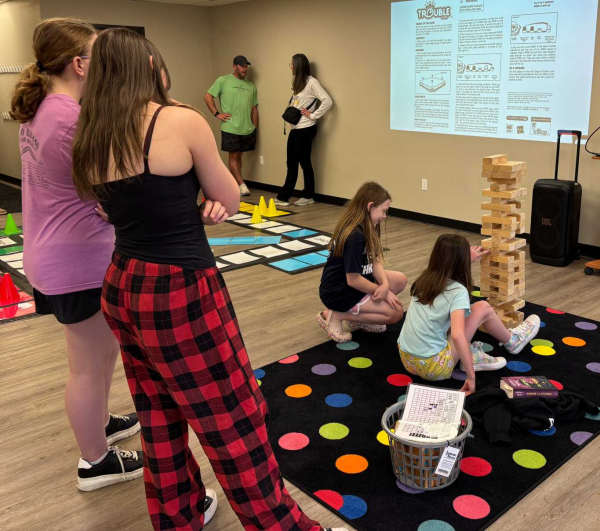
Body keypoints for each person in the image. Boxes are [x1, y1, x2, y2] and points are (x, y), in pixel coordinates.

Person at [72, 28, 347, 531]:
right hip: (178, 289)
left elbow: (123, 212)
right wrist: (202, 200)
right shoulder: (178, 120)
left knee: (158, 414)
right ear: (150, 66)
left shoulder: (91, 133)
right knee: (234, 418)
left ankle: (179, 516)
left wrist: (186, 210)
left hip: (122, 284)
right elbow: (232, 193)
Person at [10, 18, 142, 492]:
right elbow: (113, 193)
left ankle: (99, 423)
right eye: (97, 55)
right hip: (77, 261)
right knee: (88, 365)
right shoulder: (70, 118)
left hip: (56, 256)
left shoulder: (45, 109)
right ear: (81, 64)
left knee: (96, 355)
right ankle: (96, 462)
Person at [398, 234, 541, 395]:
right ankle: (512, 341)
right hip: (433, 368)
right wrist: (471, 377)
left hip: (406, 359)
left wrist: (465, 259)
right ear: (461, 262)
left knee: (447, 317)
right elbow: (458, 335)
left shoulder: (423, 280)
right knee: (483, 307)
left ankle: (469, 354)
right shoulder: (457, 291)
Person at [318, 182, 406, 343]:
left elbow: (375, 260)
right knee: (396, 313)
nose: (384, 217)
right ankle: (337, 315)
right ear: (370, 206)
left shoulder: (368, 226)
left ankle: (359, 317)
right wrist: (381, 290)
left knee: (400, 280)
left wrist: (385, 285)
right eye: (383, 211)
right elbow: (353, 280)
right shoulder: (355, 236)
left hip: (355, 284)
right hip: (339, 292)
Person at [275, 53, 333, 207]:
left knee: (300, 162)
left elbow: (327, 101)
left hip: (305, 129)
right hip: (297, 129)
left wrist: (313, 115)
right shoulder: (299, 83)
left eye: (291, 64)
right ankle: (298, 195)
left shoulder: (312, 82)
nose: (290, 67)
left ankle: (292, 196)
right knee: (296, 162)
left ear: (298, 66)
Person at [204, 55, 258, 197]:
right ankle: (241, 184)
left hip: (246, 128)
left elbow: (254, 108)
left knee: (239, 156)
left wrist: (254, 127)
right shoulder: (223, 80)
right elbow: (208, 96)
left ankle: (235, 184)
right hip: (230, 126)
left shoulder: (251, 86)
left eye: (246, 66)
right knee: (233, 155)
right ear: (234, 66)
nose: (244, 69)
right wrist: (217, 113)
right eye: (241, 66)